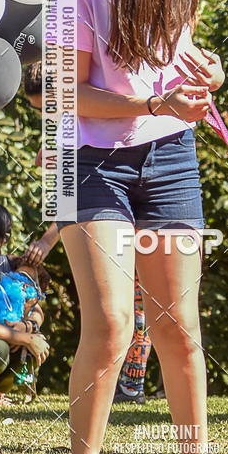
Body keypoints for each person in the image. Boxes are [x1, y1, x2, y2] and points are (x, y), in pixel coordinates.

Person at [51, 0, 228, 454]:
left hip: (168, 159)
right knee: (111, 323)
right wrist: (154, 103)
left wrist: (208, 73)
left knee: (178, 326)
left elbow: (177, 58)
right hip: (88, 164)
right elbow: (65, 95)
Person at [25, 63, 152, 404]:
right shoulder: (67, 129)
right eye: (40, 111)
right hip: (109, 214)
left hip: (132, 210)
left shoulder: (90, 122)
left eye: (48, 107)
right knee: (118, 306)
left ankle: (131, 384)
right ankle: (127, 384)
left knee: (139, 302)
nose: (46, 116)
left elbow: (78, 196)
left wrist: (47, 240)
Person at [0, 203, 50, 404]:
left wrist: (27, 326)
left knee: (33, 342)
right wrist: (22, 338)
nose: (6, 240)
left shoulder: (7, 265)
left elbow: (36, 308)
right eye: (3, 233)